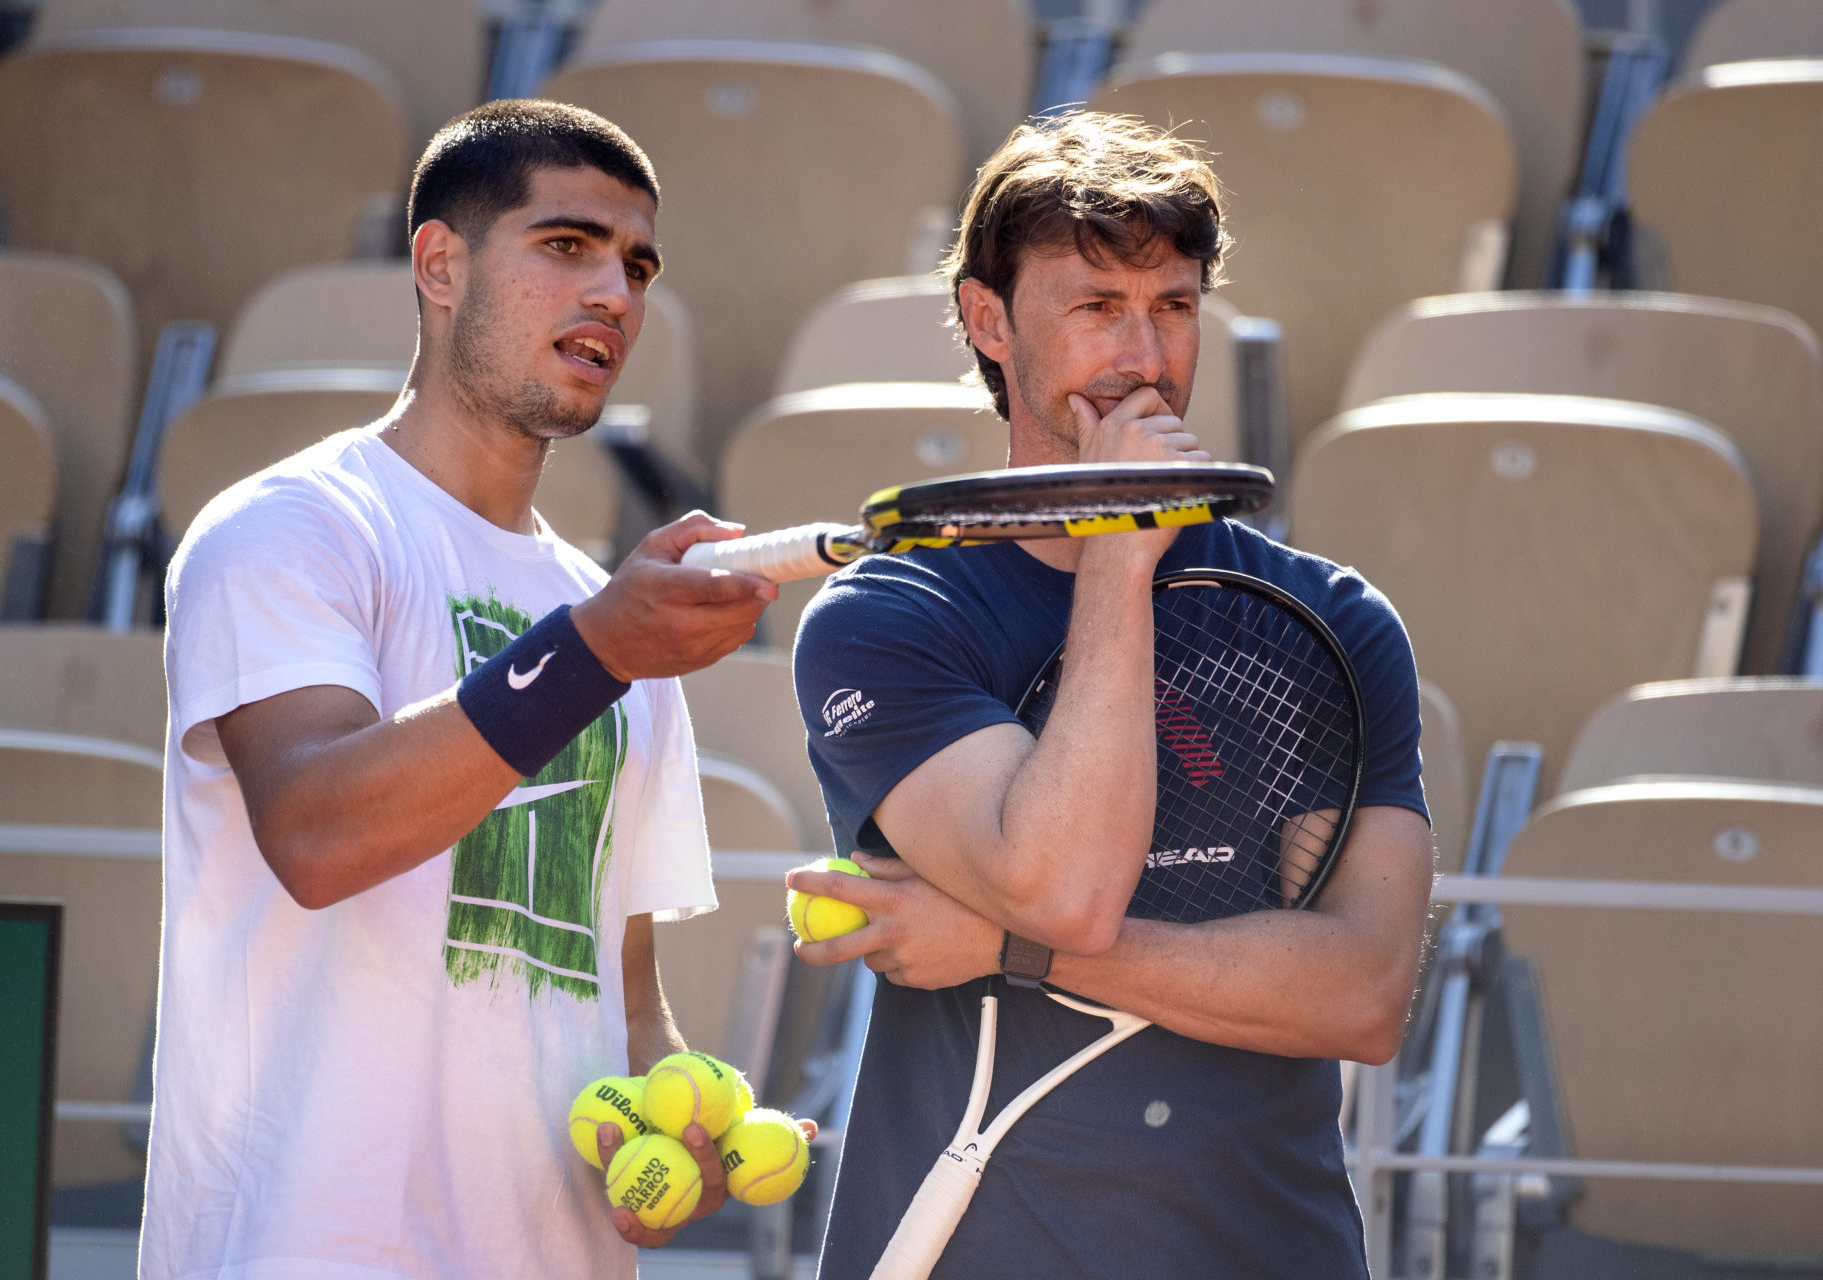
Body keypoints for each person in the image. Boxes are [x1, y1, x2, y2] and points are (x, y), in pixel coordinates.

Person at [140, 100, 795, 1279]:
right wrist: (593, 650)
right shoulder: (291, 530)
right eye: (567, 245)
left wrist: (680, 1128)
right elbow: (317, 829)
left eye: (637, 266)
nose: (614, 293)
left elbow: (621, 999)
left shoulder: (614, 618)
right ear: (441, 264)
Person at [787, 112, 1435, 1277]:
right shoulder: (887, 618)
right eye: (1097, 306)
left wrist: (1001, 947)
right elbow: (1064, 885)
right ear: (989, 319)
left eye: (1174, 307)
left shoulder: (1335, 619)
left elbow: (1361, 991)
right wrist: (1123, 555)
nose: (1144, 354)